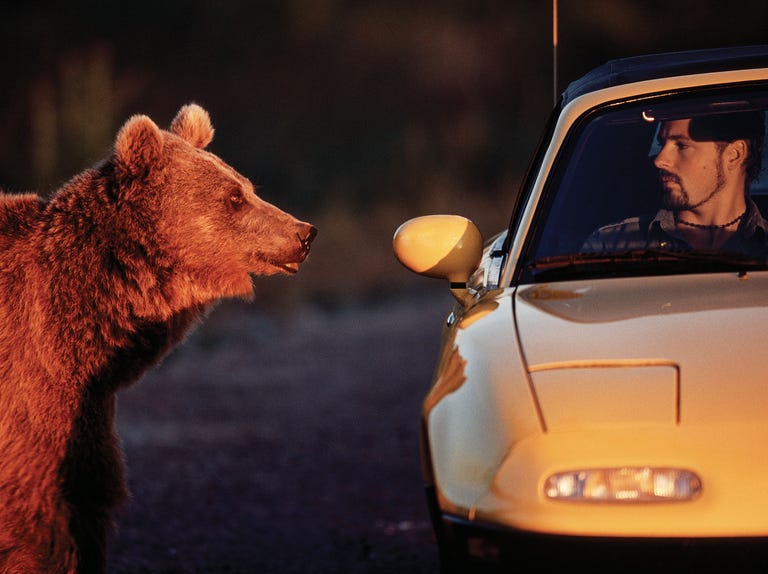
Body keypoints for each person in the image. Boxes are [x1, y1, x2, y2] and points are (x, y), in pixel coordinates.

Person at [583, 110, 767, 256]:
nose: (659, 160)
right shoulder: (610, 245)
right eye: (662, 144)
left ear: (734, 155)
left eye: (681, 145)